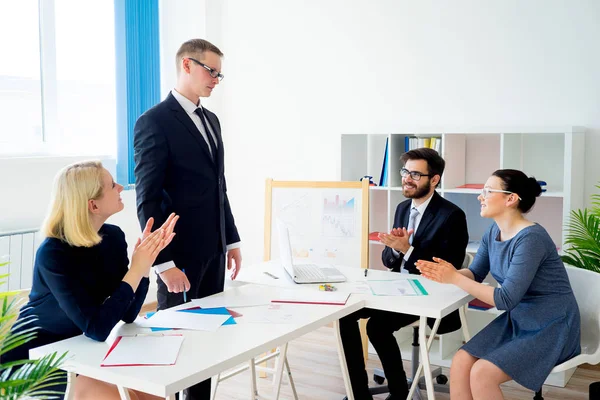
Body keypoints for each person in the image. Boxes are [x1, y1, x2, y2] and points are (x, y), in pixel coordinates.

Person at [1, 161, 178, 400]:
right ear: (93, 205)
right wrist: (135, 269)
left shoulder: (112, 237)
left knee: (155, 393)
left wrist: (144, 265)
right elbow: (96, 328)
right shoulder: (53, 253)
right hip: (36, 360)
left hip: (80, 349)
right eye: (111, 185)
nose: (120, 187)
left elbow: (126, 313)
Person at [133, 38, 241, 400]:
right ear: (187, 65)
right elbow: (147, 198)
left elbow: (218, 186)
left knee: (207, 345)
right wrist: (163, 264)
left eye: (219, 74)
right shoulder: (154, 122)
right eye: (212, 71)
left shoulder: (211, 120)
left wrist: (233, 240)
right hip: (179, 257)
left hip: (214, 249)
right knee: (178, 347)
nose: (216, 79)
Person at [416, 169, 581, 400]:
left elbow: (505, 299)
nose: (479, 196)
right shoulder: (494, 230)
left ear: (510, 198)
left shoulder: (531, 239)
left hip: (551, 325)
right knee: (461, 360)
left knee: (483, 373)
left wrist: (454, 278)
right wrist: (447, 273)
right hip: (520, 319)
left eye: (487, 191)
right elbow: (474, 273)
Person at [339, 148, 469, 399]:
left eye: (416, 174)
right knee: (345, 315)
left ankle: (399, 393)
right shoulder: (402, 208)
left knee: (377, 327)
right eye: (405, 172)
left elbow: (448, 268)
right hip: (395, 287)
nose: (407, 178)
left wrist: (407, 250)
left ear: (434, 180)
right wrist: (397, 251)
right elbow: (389, 259)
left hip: (429, 292)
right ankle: (357, 393)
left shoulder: (451, 215)